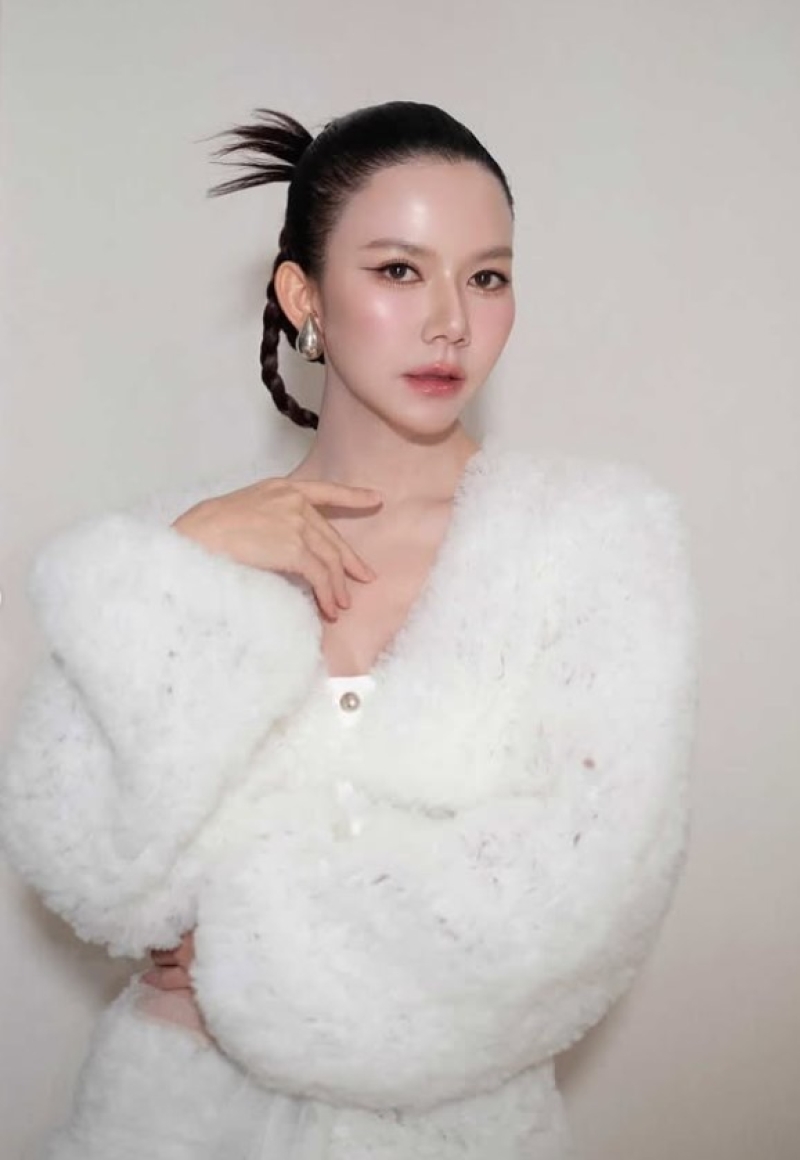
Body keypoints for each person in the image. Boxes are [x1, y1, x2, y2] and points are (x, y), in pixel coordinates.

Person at [0, 101, 699, 1159]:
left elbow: (573, 910)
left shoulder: (590, 541)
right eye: (399, 270)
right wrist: (180, 566)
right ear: (304, 296)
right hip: (162, 1124)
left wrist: (238, 950)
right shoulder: (178, 550)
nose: (450, 322)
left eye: (487, 277)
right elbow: (87, 862)